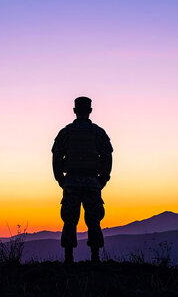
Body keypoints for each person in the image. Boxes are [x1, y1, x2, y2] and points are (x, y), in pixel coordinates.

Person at [51, 96, 113, 264]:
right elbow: (107, 157)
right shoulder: (98, 133)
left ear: (74, 111)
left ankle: (68, 258)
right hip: (92, 182)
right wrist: (103, 179)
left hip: (71, 182)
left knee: (69, 219)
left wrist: (60, 179)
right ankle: (95, 257)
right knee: (94, 219)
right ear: (90, 111)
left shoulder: (66, 132)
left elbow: (56, 156)